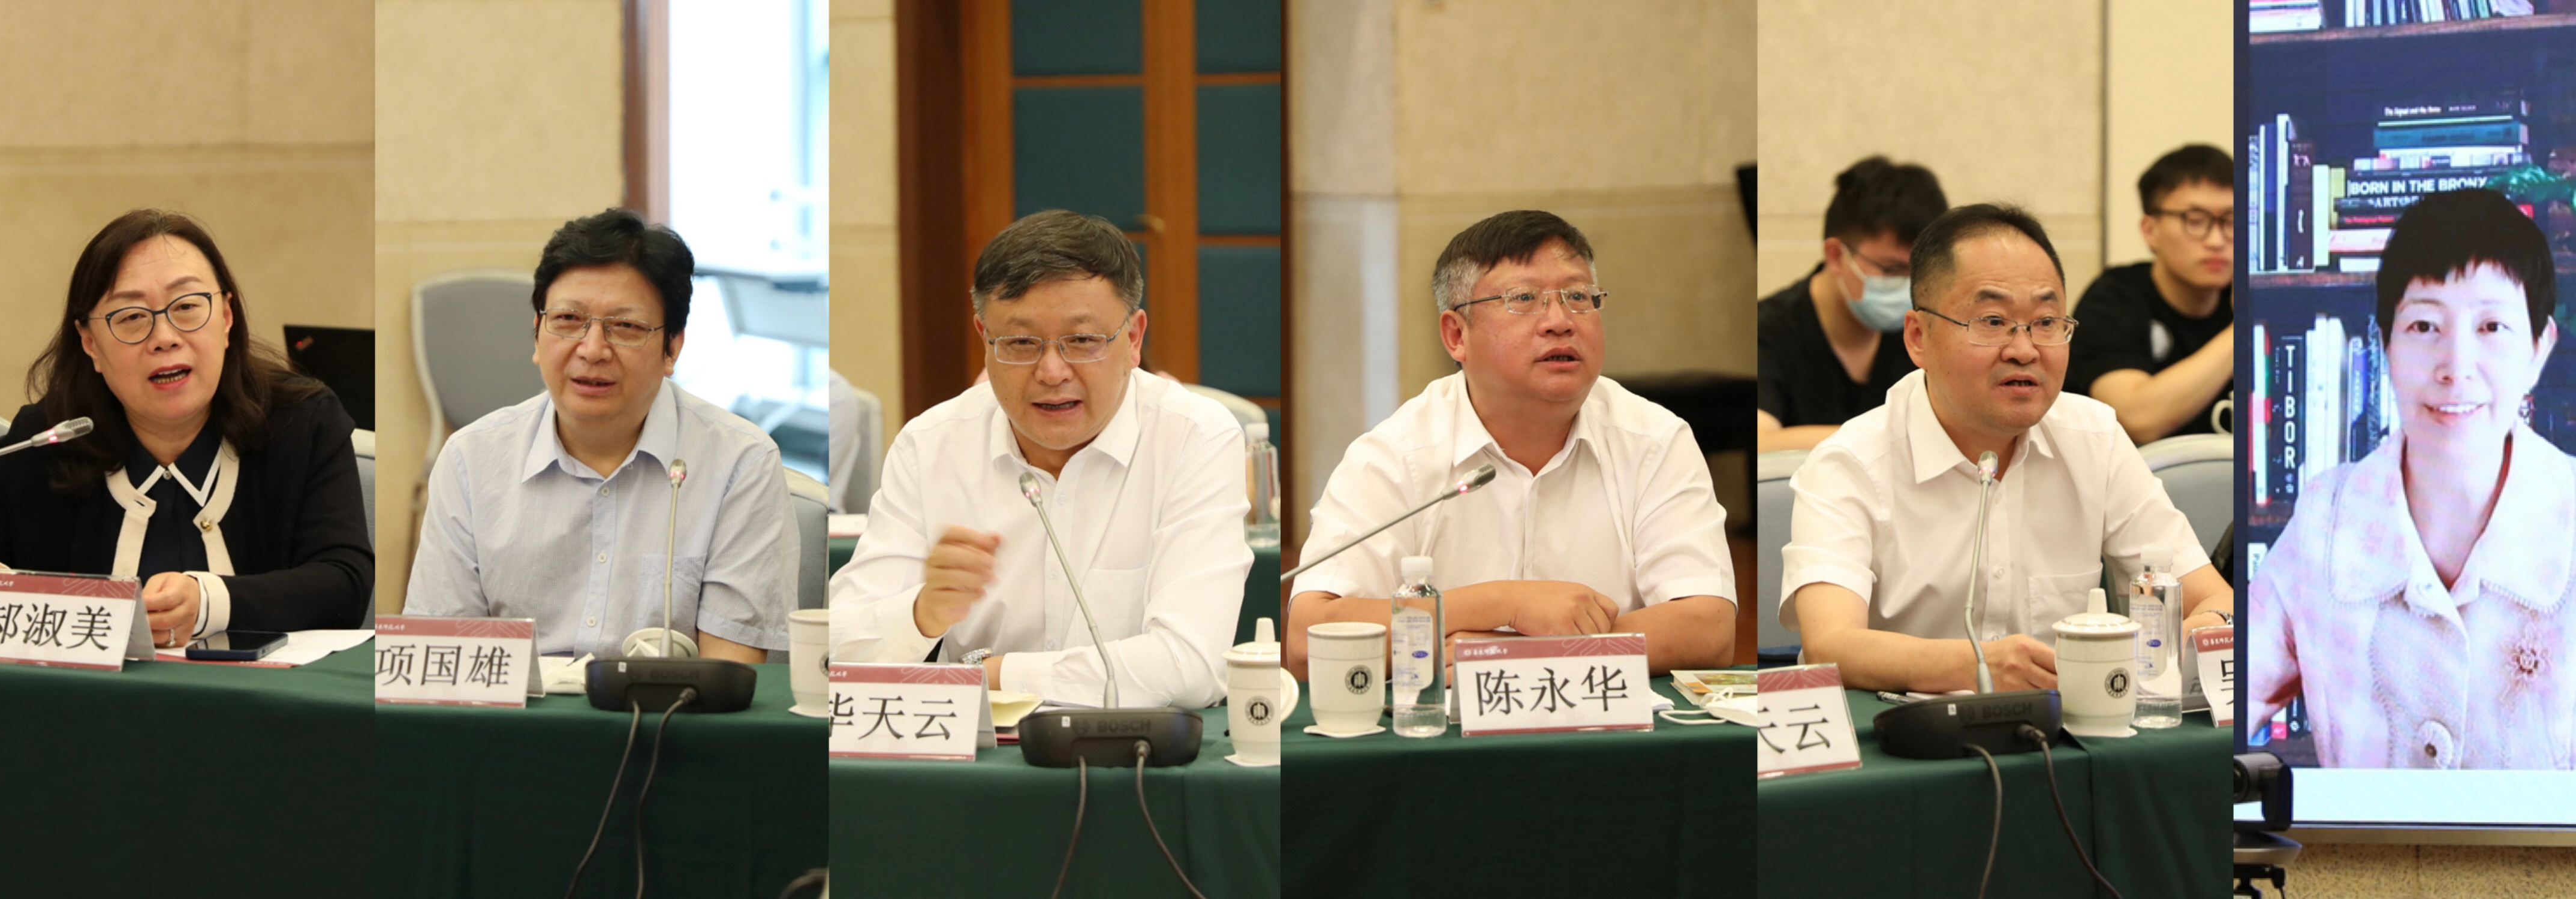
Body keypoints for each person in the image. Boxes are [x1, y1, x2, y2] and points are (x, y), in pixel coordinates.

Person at [2247, 189, 2576, 770]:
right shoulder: (2326, 517)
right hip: (2363, 837)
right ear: (2385, 344)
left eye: (2491, 326)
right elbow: (2219, 697)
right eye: (2423, 326)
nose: (2455, 366)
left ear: (2538, 350)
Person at [1779, 203, 2231, 693]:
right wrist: (1979, 666)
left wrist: (2186, 637)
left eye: (2046, 321)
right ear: (1918, 337)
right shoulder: (1850, 462)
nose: (2024, 349)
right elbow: (1831, 644)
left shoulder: (2094, 438)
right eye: (1992, 321)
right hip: (1904, 730)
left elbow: (2214, 600)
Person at [1285, 210, 1735, 678]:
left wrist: (1497, 654)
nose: (1560, 321)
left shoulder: (1653, 440)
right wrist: (1500, 602)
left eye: (1578, 296)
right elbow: (1307, 639)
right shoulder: (1397, 456)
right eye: (1523, 299)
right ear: (1456, 335)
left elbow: (1708, 628)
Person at [828, 209, 1249, 709]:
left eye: (1083, 341)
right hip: (973, 748)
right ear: (985, 338)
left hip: (1129, 749)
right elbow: (838, 653)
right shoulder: (931, 444)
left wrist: (990, 676)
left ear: (1133, 339)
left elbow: (1190, 666)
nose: (1052, 372)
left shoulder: (1193, 437)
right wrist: (921, 615)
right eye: (1021, 343)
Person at [0, 209, 370, 645]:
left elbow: (344, 583)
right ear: (90, 343)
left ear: (227, 318)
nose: (165, 337)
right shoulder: (51, 439)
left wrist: (209, 603)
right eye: (131, 317)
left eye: (187, 307)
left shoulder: (303, 424)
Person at [403, 209, 795, 661]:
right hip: (518, 708)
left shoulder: (740, 465)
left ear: (672, 348)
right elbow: (442, 657)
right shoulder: (471, 460)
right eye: (568, 319)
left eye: (625, 327)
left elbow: (729, 671)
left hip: (664, 708)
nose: (592, 350)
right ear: (536, 334)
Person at [1758, 156, 1947, 452]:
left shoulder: (1926, 327)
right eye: (1891, 270)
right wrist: (1893, 437)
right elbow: (1762, 442)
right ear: (1836, 256)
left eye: (1919, 272)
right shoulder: (1767, 332)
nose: (1907, 286)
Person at [2072, 144, 2237, 444]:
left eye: (2231, 221)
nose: (2217, 240)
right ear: (2150, 230)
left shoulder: (2251, 295)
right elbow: (2136, 419)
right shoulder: (2114, 298)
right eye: (2195, 220)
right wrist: (2245, 329)